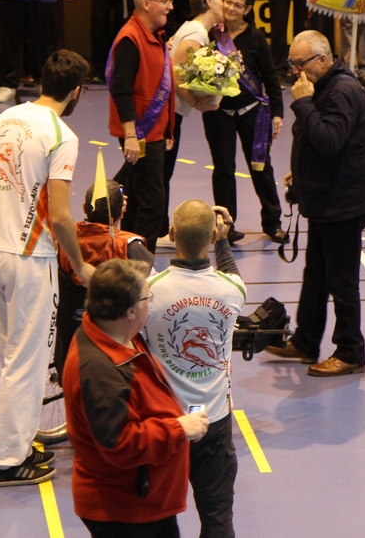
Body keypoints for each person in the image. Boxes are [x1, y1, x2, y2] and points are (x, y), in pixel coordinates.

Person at [0, 48, 93, 486]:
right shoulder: (62, 135)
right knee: (27, 362)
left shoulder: (4, 121)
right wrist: (81, 266)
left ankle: (22, 439)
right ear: (77, 92)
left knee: (12, 359)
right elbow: (61, 216)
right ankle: (8, 461)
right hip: (29, 258)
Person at [63, 258, 209, 533]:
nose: (150, 303)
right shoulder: (99, 370)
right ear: (131, 311)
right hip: (126, 511)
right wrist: (178, 428)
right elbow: (121, 442)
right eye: (147, 297)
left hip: (142, 501)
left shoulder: (114, 334)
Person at [265, 30, 365, 375]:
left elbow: (329, 141)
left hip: (345, 202)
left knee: (341, 280)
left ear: (323, 60)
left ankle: (350, 351)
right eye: (291, 63)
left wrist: (301, 104)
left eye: (300, 64)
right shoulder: (322, 86)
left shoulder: (342, 91)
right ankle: (306, 340)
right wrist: (301, 173)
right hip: (327, 197)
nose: (295, 71)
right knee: (316, 273)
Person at [144, 200, 246, 538]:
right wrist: (224, 240)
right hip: (214, 422)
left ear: (171, 234)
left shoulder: (150, 293)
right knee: (218, 520)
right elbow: (230, 272)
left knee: (157, 519)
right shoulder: (232, 291)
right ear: (213, 236)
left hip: (166, 424)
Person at [202, 0, 287, 244]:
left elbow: (270, 76)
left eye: (237, 5)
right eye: (228, 1)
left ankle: (273, 224)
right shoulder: (211, 32)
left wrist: (277, 113)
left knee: (261, 168)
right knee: (224, 169)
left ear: (247, 10)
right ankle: (227, 226)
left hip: (253, 112)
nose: (230, 8)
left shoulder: (256, 37)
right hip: (219, 112)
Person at [54, 179, 153, 380]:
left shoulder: (62, 242)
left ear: (84, 208)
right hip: (116, 361)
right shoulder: (130, 247)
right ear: (121, 213)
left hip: (67, 357)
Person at [108, 0, 177, 251]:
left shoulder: (154, 34)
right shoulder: (130, 39)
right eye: (165, 1)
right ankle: (141, 261)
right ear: (147, 4)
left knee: (137, 198)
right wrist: (130, 136)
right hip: (140, 134)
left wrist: (168, 131)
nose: (170, 7)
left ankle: (128, 255)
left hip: (155, 133)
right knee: (153, 203)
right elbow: (121, 90)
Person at [163, 0, 226, 244]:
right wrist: (198, 103)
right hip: (169, 113)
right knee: (162, 172)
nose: (225, 4)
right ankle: (157, 230)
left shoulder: (196, 30)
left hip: (172, 111)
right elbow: (175, 73)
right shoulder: (197, 33)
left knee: (162, 172)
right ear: (209, 1)